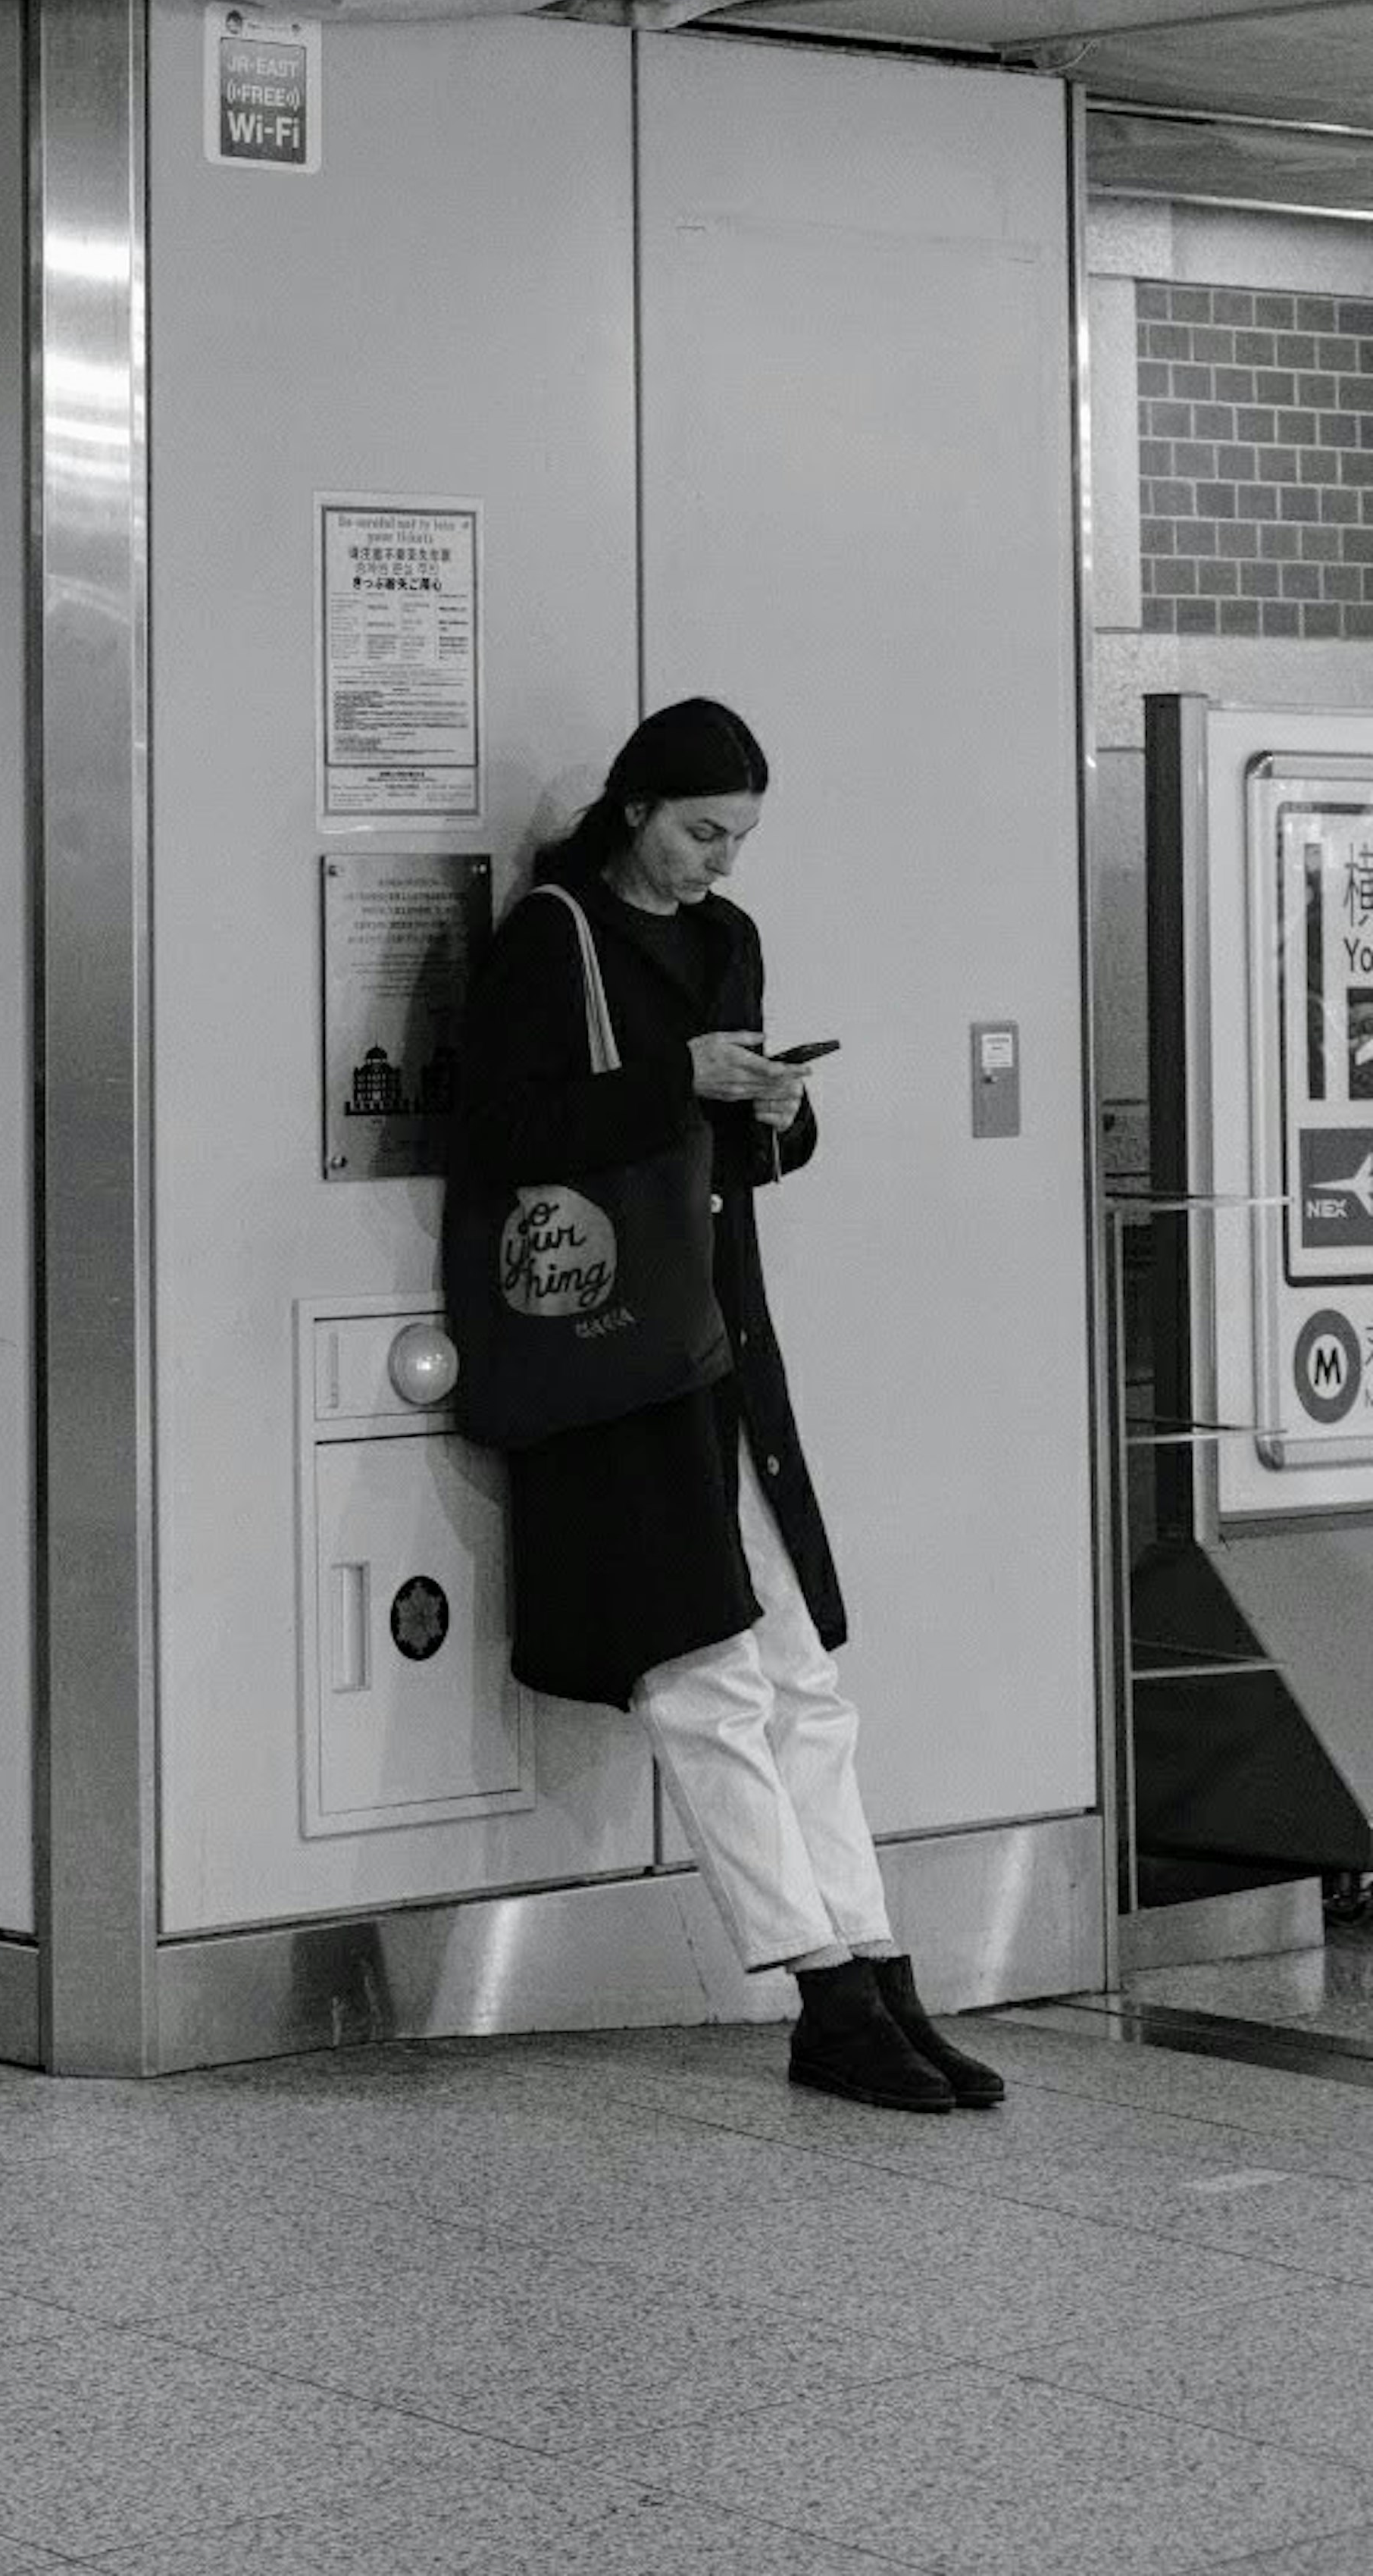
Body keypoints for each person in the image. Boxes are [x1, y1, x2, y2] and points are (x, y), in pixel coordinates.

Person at [452, 696, 1005, 2116]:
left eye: (740, 840)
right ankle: (817, 1985)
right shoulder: (551, 936)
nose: (718, 864)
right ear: (637, 808)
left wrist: (772, 1111)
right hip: (614, 1349)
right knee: (703, 1676)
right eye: (703, 832)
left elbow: (745, 1153)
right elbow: (499, 1133)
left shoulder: (727, 943)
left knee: (802, 1665)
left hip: (718, 1332)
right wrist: (673, 1081)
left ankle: (877, 1963)